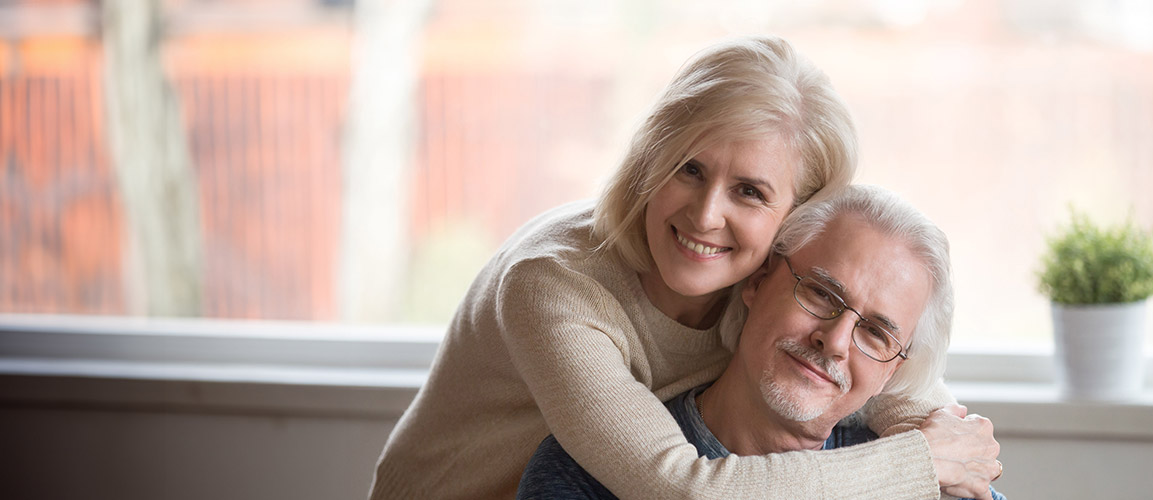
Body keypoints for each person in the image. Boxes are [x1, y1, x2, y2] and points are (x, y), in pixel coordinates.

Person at [368, 36, 1000, 500]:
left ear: (792, 221)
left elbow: (890, 375)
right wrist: (919, 463)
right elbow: (683, 490)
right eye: (689, 168)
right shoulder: (552, 286)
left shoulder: (765, 283)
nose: (704, 216)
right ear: (651, 159)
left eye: (750, 191)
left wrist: (948, 441)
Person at [516, 185, 1006, 500]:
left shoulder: (943, 481)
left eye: (875, 333)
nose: (835, 341)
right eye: (820, 292)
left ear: (893, 373)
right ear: (757, 281)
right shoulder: (584, 475)